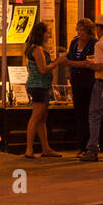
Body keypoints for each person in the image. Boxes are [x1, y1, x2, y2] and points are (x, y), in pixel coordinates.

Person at [23, 22, 65, 158]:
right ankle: (29, 149)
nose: (49, 35)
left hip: (39, 85)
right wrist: (57, 62)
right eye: (47, 32)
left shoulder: (34, 48)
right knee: (36, 117)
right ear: (40, 33)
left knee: (41, 118)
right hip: (38, 86)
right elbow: (43, 69)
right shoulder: (37, 49)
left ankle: (45, 148)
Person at [79, 20, 103, 161]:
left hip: (101, 82)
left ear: (98, 28)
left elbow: (99, 66)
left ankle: (92, 149)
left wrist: (89, 65)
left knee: (94, 115)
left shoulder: (99, 44)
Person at [65, 19, 97, 158]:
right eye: (78, 29)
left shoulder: (94, 44)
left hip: (89, 81)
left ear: (89, 31)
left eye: (82, 30)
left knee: (93, 113)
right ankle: (82, 145)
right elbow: (69, 58)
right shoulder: (74, 43)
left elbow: (89, 63)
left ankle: (96, 144)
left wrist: (72, 63)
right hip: (76, 81)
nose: (79, 33)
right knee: (80, 113)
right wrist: (68, 71)